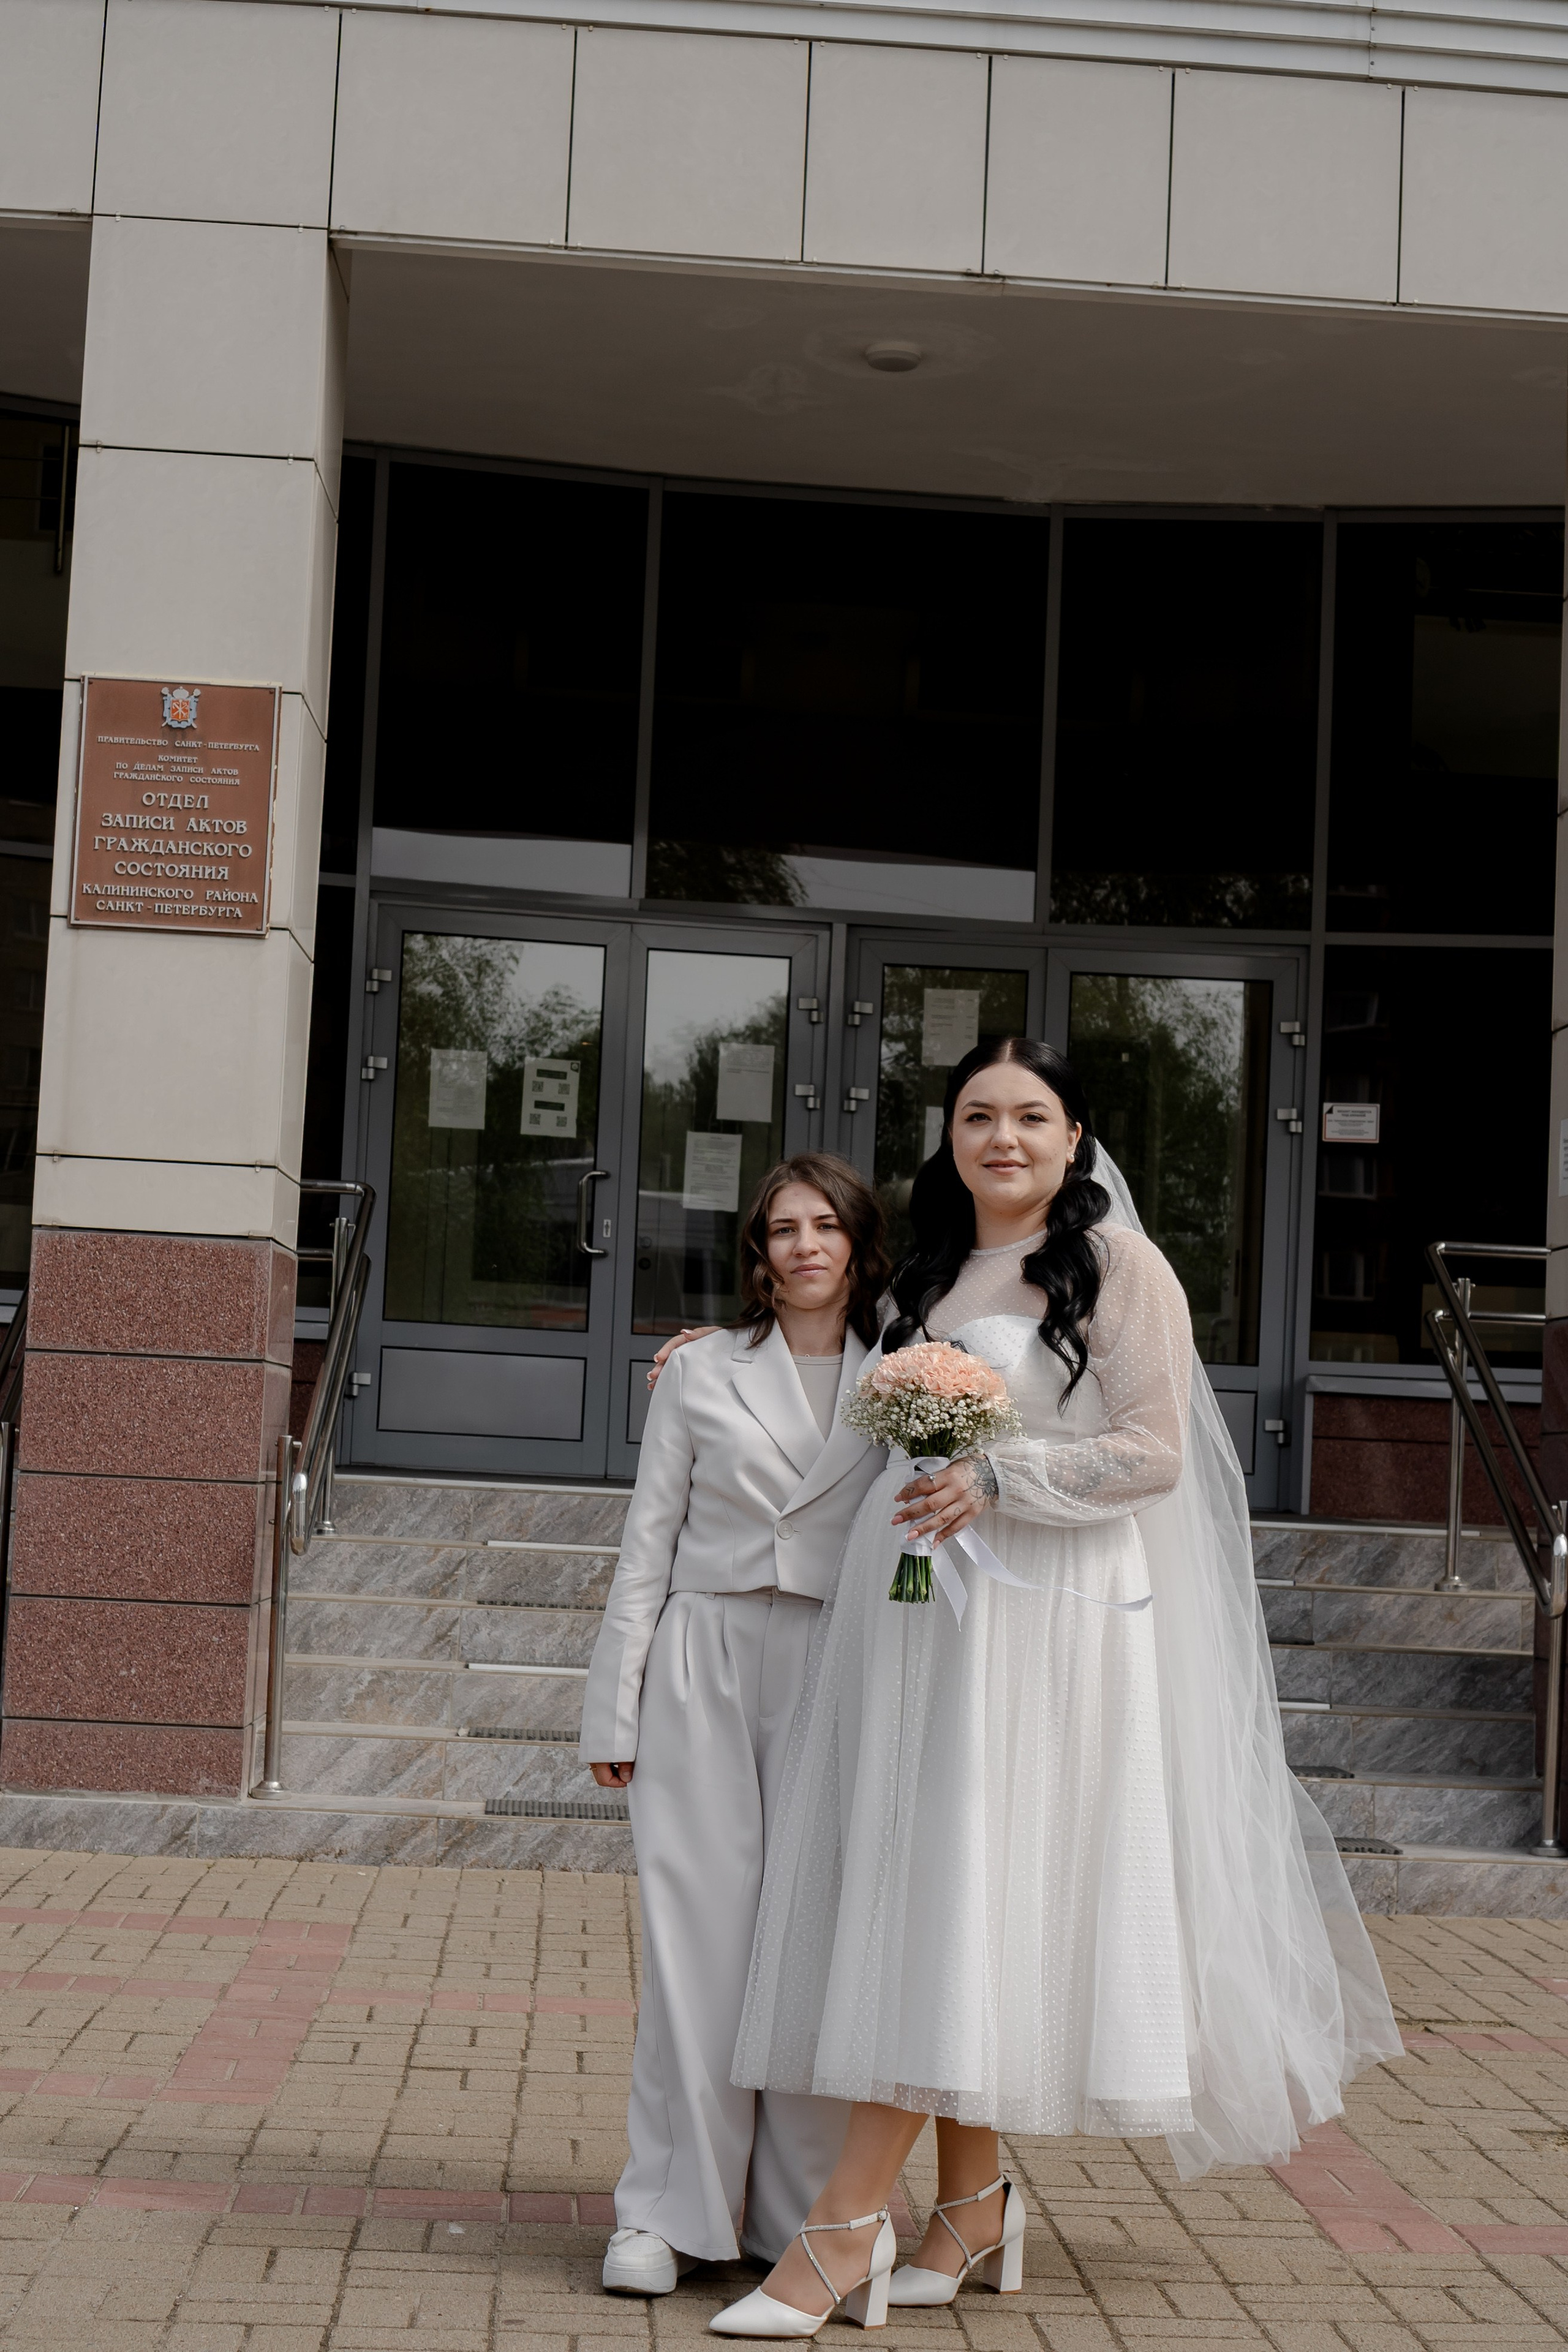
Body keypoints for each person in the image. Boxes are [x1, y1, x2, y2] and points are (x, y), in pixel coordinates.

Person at [707, 1039, 1401, 2340]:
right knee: (934, 1887)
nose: (1003, 1139)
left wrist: (1000, 1477)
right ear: (949, 1136)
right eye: (978, 1115)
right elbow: (812, 1332)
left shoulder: (1119, 1270)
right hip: (912, 1620)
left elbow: (1148, 1453)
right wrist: (708, 1348)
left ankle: (840, 2229)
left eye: (1031, 1117)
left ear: (1075, 1138)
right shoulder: (919, 1268)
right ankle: (970, 2210)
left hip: (1039, 1628)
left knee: (959, 1887)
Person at [581, 1153, 892, 2296]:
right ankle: (665, 2211)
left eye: (825, 1225)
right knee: (695, 1945)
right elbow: (644, 1549)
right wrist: (612, 1703)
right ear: (757, 1254)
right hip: (702, 1662)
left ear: (858, 1242)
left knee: (815, 1940)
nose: (804, 1245)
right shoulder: (702, 1372)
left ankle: (796, 2217)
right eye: (780, 1229)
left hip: (841, 1665)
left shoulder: (908, 1377)